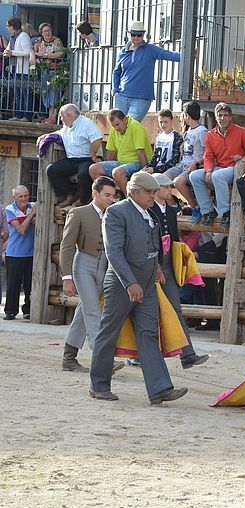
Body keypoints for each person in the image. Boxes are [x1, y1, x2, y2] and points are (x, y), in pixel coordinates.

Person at [89, 172, 189, 403]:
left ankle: (159, 388)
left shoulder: (149, 212)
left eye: (154, 192)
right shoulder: (116, 212)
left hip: (146, 282)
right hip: (123, 284)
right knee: (109, 332)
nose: (153, 196)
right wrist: (130, 282)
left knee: (148, 332)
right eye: (148, 192)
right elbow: (114, 252)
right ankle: (99, 385)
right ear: (133, 192)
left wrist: (156, 268)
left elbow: (154, 243)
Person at [148, 173, 209, 369]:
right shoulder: (148, 210)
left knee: (175, 309)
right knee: (146, 312)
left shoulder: (171, 210)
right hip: (150, 264)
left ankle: (187, 354)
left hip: (166, 264)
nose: (169, 190)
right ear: (156, 189)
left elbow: (173, 240)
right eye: (166, 187)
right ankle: (140, 354)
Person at [60, 177, 119, 372]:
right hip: (83, 264)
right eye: (107, 195)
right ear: (95, 193)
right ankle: (102, 359)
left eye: (113, 195)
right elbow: (67, 246)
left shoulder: (113, 214)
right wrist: (66, 277)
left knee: (83, 312)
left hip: (103, 266)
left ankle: (69, 358)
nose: (111, 199)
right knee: (93, 310)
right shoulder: (79, 213)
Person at [188, 102, 245, 228]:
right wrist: (208, 170)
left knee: (217, 176)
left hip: (236, 168)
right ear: (216, 117)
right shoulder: (210, 135)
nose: (222, 118)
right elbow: (208, 157)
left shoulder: (242, 132)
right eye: (220, 115)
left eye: (225, 115)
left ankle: (226, 212)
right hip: (219, 168)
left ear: (231, 117)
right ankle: (208, 211)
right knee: (194, 176)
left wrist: (242, 159)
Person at [111, 20, 180, 122]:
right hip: (122, 96)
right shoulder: (122, 52)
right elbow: (116, 72)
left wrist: (188, 54)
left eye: (139, 35)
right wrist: (115, 90)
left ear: (143, 35)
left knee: (130, 126)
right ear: (129, 34)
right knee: (118, 126)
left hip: (141, 98)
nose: (136, 38)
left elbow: (168, 54)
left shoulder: (150, 49)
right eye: (133, 34)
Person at [39, 103, 103, 207]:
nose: (61, 119)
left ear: (69, 116)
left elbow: (96, 139)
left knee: (84, 174)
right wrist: (45, 136)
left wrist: (93, 154)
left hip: (86, 159)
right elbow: (59, 133)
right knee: (52, 170)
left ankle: (83, 199)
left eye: (62, 116)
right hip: (71, 160)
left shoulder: (86, 123)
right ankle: (71, 194)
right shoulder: (67, 126)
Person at [88, 109, 153, 192]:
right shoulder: (114, 130)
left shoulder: (135, 126)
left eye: (118, 124)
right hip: (121, 163)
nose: (116, 128)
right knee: (94, 169)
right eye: (113, 126)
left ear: (125, 120)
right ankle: (110, 196)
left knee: (117, 172)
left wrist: (145, 171)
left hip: (138, 162)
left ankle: (129, 199)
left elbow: (140, 152)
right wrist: (109, 167)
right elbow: (111, 153)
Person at [169, 101, 208, 223]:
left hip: (194, 166)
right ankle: (175, 204)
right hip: (182, 164)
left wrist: (196, 164)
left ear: (187, 115)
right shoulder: (188, 130)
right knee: (160, 179)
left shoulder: (202, 131)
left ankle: (195, 207)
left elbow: (208, 152)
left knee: (178, 182)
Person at [3, 186, 35, 320]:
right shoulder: (10, 209)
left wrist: (29, 218)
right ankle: (10, 311)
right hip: (15, 252)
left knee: (30, 284)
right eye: (20, 196)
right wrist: (32, 215)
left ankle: (28, 310)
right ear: (14, 197)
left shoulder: (33, 205)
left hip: (32, 252)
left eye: (26, 195)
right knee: (13, 284)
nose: (24, 199)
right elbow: (21, 230)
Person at [32, 23, 65, 124]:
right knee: (46, 93)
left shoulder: (57, 41)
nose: (48, 33)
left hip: (55, 70)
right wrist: (36, 55)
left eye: (49, 30)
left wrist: (46, 55)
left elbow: (61, 53)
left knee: (54, 93)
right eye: (45, 31)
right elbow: (34, 51)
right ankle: (50, 116)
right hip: (44, 70)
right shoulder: (39, 41)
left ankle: (53, 117)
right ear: (41, 33)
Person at [3, 17, 33, 121]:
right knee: (18, 93)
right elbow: (8, 49)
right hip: (15, 68)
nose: (7, 28)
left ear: (12, 27)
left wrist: (13, 53)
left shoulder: (23, 36)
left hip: (23, 69)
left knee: (25, 93)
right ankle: (19, 114)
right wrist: (7, 52)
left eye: (8, 26)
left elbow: (28, 51)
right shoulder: (12, 37)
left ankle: (27, 115)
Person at [143, 109, 183, 176]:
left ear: (171, 121)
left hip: (167, 171)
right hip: (156, 169)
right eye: (160, 122)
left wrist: (155, 169)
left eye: (166, 122)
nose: (163, 125)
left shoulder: (176, 137)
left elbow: (174, 161)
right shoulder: (159, 137)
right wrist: (147, 167)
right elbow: (155, 157)